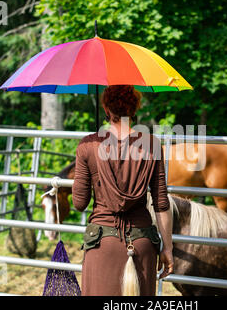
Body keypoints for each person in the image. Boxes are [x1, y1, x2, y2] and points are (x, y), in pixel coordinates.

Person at [72, 85, 174, 296]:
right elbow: (161, 203)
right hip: (143, 243)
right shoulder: (152, 145)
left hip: (103, 245)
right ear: (134, 109)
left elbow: (79, 203)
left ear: (106, 109)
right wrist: (168, 248)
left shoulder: (88, 145)